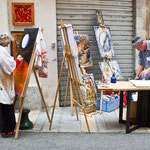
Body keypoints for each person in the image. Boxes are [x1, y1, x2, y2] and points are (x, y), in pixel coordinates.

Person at [0, 33, 23, 137]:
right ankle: (7, 130)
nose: (9, 42)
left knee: (4, 105)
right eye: (7, 40)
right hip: (3, 83)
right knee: (6, 106)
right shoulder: (1, 51)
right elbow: (9, 66)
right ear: (3, 39)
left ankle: (5, 129)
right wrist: (18, 59)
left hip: (2, 82)